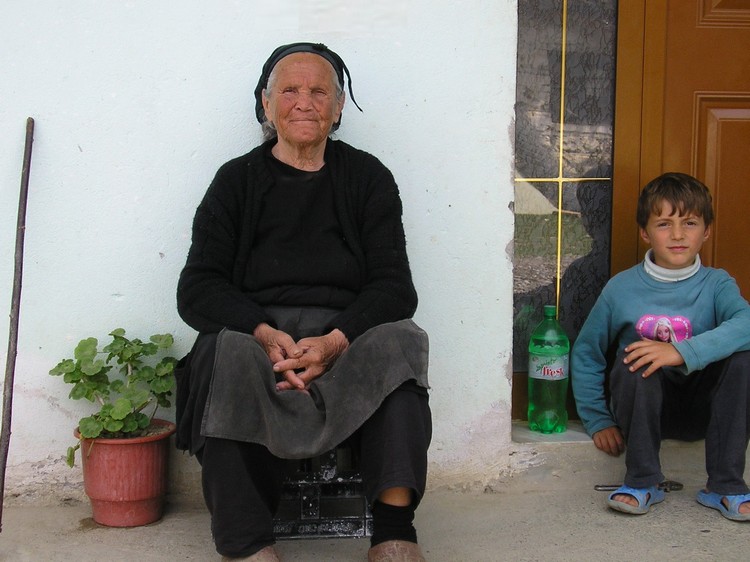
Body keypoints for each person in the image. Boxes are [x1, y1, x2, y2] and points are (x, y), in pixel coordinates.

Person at [175, 42, 431, 561]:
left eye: (320, 91)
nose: (304, 102)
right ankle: (248, 545)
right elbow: (198, 288)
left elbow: (395, 287)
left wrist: (336, 341)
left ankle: (394, 534)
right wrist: (264, 335)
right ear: (266, 106)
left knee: (403, 341)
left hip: (343, 338)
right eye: (289, 90)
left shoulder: (367, 178)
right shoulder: (236, 181)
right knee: (226, 353)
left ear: (338, 109)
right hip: (261, 339)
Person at [571, 172, 750, 520]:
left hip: (706, 412)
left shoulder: (717, 284)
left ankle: (726, 485)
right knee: (634, 358)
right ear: (645, 233)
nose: (679, 235)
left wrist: (681, 352)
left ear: (707, 231)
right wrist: (597, 419)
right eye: (665, 224)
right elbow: (587, 353)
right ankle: (642, 480)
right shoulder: (620, 289)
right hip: (643, 413)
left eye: (691, 223)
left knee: (743, 358)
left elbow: (746, 324)